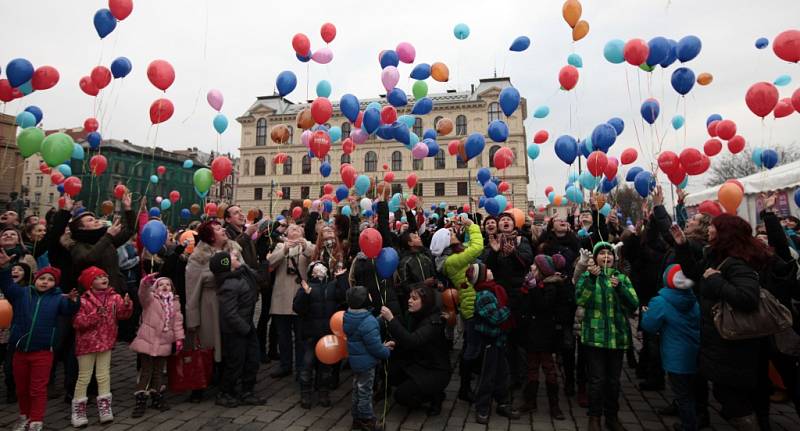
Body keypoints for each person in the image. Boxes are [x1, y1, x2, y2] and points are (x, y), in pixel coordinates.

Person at [670, 216, 770, 430]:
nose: (710, 229)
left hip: (734, 342)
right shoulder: (714, 256)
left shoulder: (737, 262)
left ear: (725, 232)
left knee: (734, 398)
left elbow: (747, 298)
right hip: (718, 338)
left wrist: (716, 281)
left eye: (714, 226)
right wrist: (682, 246)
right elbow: (694, 273)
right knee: (726, 393)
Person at [0, 256, 79, 431]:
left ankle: (36, 420)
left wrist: (73, 302)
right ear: (35, 279)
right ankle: (24, 416)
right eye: (42, 278)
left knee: (37, 388)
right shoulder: (22, 294)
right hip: (20, 350)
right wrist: (5, 267)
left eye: (50, 280)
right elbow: (7, 285)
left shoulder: (58, 299)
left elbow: (69, 310)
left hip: (42, 352)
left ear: (55, 284)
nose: (45, 282)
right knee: (22, 388)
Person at [576, 242, 639, 431]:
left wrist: (620, 288)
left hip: (617, 338)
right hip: (595, 337)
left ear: (614, 258)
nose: (606, 256)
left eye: (609, 253)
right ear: (595, 258)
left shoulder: (621, 278)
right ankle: (594, 417)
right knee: (596, 380)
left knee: (613, 381)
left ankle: (611, 416)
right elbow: (580, 299)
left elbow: (633, 303)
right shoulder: (588, 276)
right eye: (601, 253)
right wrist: (592, 280)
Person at [185, 220, 242, 402]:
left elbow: (244, 272)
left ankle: (226, 382)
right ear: (209, 236)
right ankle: (199, 385)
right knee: (207, 344)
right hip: (209, 304)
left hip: (232, 303)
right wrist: (192, 318)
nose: (223, 229)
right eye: (218, 229)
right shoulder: (198, 256)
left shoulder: (234, 249)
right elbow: (192, 289)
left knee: (230, 344)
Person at [70, 266, 133, 427]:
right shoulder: (83, 300)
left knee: (103, 375)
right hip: (87, 345)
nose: (104, 279)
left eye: (105, 276)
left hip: (106, 342)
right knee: (84, 377)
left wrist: (126, 305)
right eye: (98, 277)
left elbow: (123, 315)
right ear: (90, 284)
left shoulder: (114, 297)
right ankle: (79, 409)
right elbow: (78, 322)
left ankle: (105, 407)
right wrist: (95, 315)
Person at [641, 265, 701, 431]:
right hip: (694, 351)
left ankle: (688, 425)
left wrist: (646, 313)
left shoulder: (661, 301)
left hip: (676, 355)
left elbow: (650, 325)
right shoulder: (693, 299)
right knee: (690, 390)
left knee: (682, 393)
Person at [431, 215, 482, 402]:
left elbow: (469, 245)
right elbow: (476, 247)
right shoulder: (452, 261)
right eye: (452, 233)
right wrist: (472, 225)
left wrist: (467, 230)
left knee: (472, 345)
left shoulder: (456, 254)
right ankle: (465, 388)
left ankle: (468, 383)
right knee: (471, 348)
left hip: (473, 303)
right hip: (471, 306)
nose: (455, 233)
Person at [380, 286, 450, 416]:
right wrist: (395, 342)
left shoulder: (433, 322)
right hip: (420, 362)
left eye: (414, 298)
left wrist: (391, 319)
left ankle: (435, 396)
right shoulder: (416, 315)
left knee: (401, 396)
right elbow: (410, 337)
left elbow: (413, 340)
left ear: (426, 301)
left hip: (435, 370)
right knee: (390, 373)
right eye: (410, 297)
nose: (409, 301)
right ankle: (425, 390)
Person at [466, 263, 519, 424]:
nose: (490, 270)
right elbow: (496, 318)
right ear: (482, 277)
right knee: (487, 377)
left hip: (499, 340)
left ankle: (503, 402)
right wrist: (510, 308)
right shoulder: (484, 295)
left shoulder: (494, 289)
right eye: (487, 270)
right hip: (489, 342)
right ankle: (482, 407)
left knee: (503, 374)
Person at [519, 254, 570, 420]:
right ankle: (530, 400)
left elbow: (543, 306)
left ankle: (554, 405)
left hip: (546, 333)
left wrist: (533, 289)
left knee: (549, 368)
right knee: (532, 367)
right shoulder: (531, 285)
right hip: (532, 333)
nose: (531, 268)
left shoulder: (551, 287)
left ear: (542, 271)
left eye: (535, 266)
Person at [211, 251, 265, 408]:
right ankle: (225, 393)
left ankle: (247, 391)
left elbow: (260, 278)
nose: (236, 257)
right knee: (235, 363)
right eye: (233, 258)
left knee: (252, 359)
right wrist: (245, 329)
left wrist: (264, 263)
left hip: (247, 326)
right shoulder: (229, 284)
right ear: (227, 266)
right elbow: (229, 313)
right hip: (236, 330)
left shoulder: (241, 274)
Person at [292, 260, 348, 409]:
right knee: (307, 365)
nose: (320, 268)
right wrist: (305, 293)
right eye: (315, 266)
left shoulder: (332, 286)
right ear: (311, 272)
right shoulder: (307, 287)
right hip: (310, 334)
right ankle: (305, 394)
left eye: (322, 265)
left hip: (327, 335)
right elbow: (298, 308)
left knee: (325, 368)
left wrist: (342, 278)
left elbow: (345, 297)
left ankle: (324, 393)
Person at [129, 273, 184, 417]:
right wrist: (145, 283)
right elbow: (143, 294)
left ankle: (156, 395)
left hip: (164, 342)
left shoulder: (175, 303)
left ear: (172, 288)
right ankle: (140, 399)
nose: (165, 286)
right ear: (156, 288)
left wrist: (179, 339)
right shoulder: (151, 300)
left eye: (168, 284)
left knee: (158, 371)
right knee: (146, 371)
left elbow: (177, 323)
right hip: (147, 341)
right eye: (161, 284)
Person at [343, 285, 394, 431]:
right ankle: (367, 420)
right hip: (367, 365)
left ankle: (356, 419)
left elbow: (362, 330)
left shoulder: (349, 316)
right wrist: (386, 351)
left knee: (357, 390)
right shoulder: (368, 322)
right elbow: (376, 348)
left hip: (356, 363)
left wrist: (377, 320)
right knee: (365, 392)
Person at [267, 223, 314, 378]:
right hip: (281, 298)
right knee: (283, 336)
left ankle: (301, 367)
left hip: (300, 298)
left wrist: (305, 245)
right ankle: (285, 365)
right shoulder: (280, 246)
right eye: (292, 229)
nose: (295, 230)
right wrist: (285, 249)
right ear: (286, 233)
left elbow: (315, 256)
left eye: (298, 228)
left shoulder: (308, 245)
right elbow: (271, 263)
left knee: (301, 336)